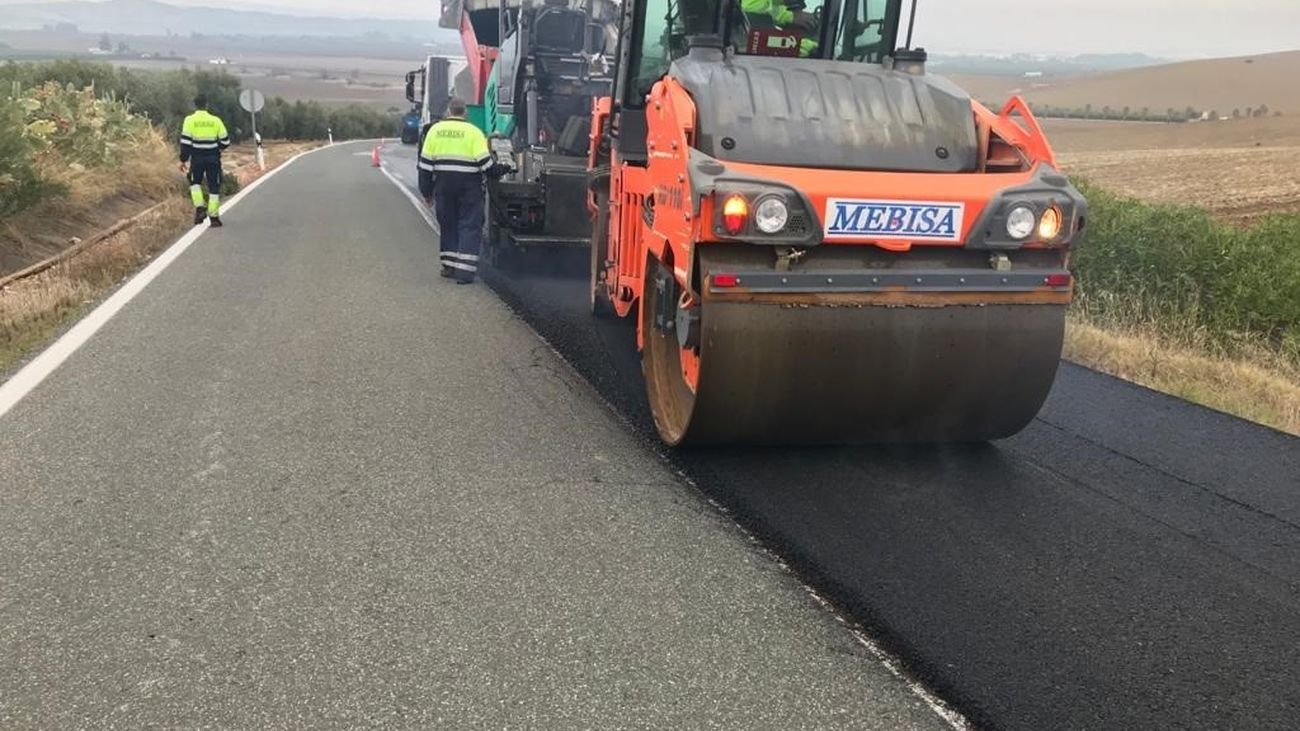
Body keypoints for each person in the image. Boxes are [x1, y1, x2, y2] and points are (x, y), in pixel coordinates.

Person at [418, 97, 493, 284]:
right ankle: (465, 273)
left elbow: (425, 166)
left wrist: (427, 192)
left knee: (448, 225)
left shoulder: (435, 131)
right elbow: (486, 164)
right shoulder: (474, 132)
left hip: (443, 186)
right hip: (469, 188)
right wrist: (501, 170)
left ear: (448, 111)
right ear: (465, 112)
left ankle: (449, 267)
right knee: (469, 225)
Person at [178, 95, 231, 227]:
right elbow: (226, 142)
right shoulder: (215, 120)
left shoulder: (189, 120)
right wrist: (216, 148)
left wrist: (183, 159)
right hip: (213, 158)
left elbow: (185, 142)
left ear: (195, 105)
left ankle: (200, 208)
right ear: (207, 105)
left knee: (194, 182)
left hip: (197, 158)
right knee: (214, 186)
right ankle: (214, 218)